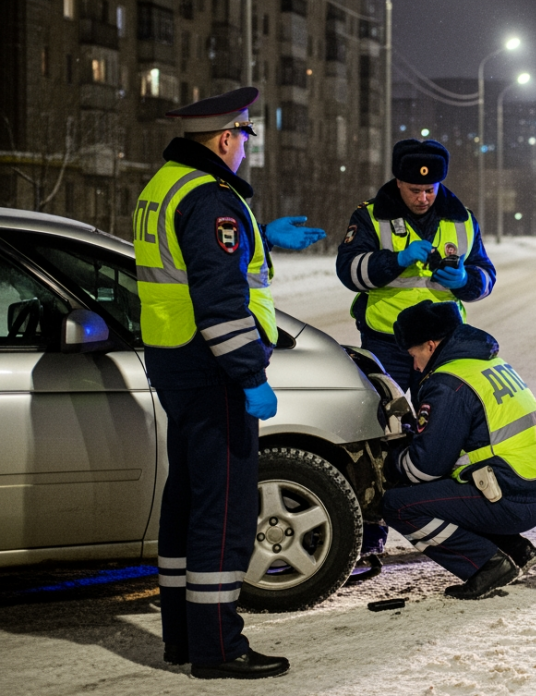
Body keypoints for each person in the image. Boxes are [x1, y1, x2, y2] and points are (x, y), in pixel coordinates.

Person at [134, 87, 327, 678]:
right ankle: (220, 647)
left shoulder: (164, 184)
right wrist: (248, 376)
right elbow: (220, 300)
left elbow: (196, 262)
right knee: (224, 511)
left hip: (174, 360)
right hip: (213, 368)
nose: (244, 146)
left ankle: (184, 638)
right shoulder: (211, 198)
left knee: (188, 499)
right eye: (244, 136)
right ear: (225, 139)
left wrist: (258, 233)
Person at [336, 139, 498, 560]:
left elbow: (485, 277)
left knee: (449, 430)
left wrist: (465, 278)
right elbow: (349, 271)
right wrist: (396, 259)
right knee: (379, 435)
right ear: (398, 182)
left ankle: (453, 515)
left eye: (431, 189)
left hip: (444, 345)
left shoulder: (461, 219)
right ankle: (372, 529)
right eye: (414, 190)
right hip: (388, 342)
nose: (424, 197)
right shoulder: (371, 216)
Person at [380, 300, 536, 599]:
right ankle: (515, 549)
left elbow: (426, 466)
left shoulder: (448, 383)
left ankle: (486, 566)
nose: (414, 365)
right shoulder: (485, 362)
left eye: (413, 355)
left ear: (429, 345)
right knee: (452, 486)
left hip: (514, 495)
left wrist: (394, 460)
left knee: (399, 505)